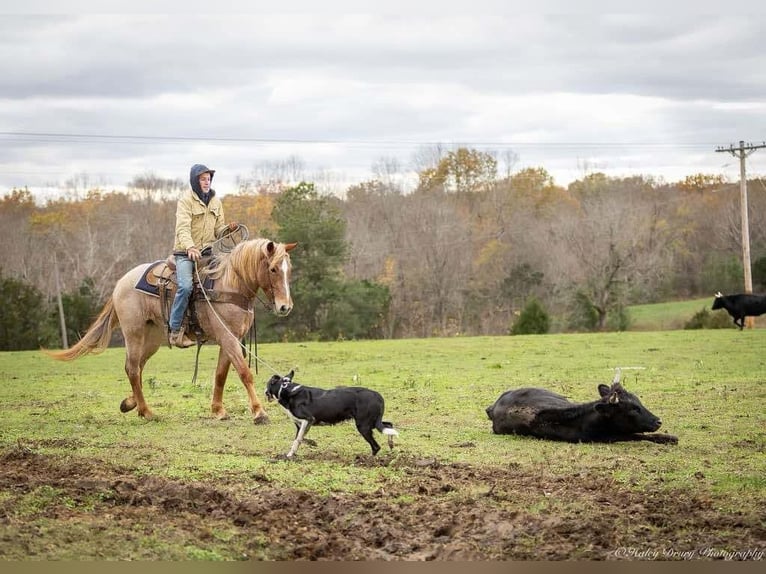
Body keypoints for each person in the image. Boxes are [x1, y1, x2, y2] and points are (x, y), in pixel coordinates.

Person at [168, 164, 237, 348]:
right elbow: (182, 229)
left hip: (207, 253)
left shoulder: (216, 201)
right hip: (185, 253)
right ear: (195, 181)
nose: (206, 182)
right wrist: (190, 247)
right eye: (203, 179)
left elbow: (218, 230)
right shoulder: (185, 201)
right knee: (185, 286)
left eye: (208, 179)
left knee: (224, 281)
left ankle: (217, 325)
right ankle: (175, 330)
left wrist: (227, 230)